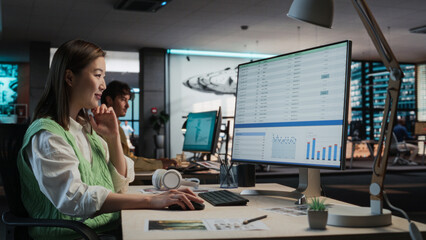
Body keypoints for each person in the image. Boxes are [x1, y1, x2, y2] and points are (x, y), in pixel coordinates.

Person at [17, 39, 203, 240]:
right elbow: (73, 199)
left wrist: (113, 138)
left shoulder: (86, 128)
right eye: (98, 75)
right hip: (73, 236)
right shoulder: (48, 135)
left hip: (104, 230)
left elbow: (119, 188)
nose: (103, 85)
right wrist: (151, 200)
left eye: (103, 77)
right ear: (69, 77)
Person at [101, 80, 176, 170]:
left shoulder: (117, 127)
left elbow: (129, 158)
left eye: (128, 100)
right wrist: (158, 164)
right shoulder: (103, 128)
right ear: (109, 100)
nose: (127, 105)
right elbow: (125, 162)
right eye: (123, 100)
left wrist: (156, 162)